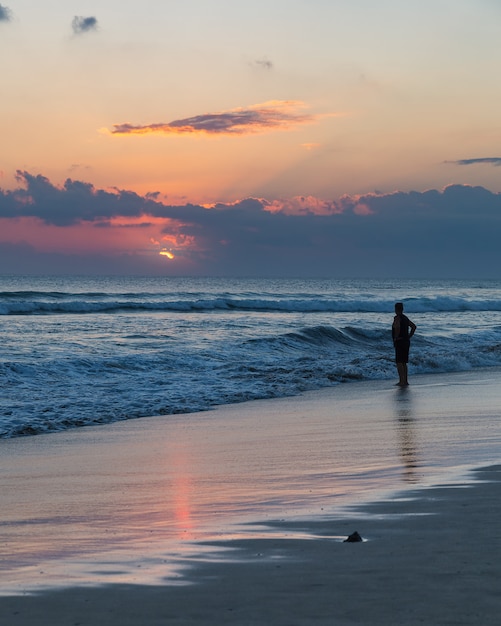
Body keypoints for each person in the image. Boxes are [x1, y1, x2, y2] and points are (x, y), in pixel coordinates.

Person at [392, 302, 416, 386]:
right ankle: (405, 380)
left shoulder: (397, 318)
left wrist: (396, 337)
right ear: (402, 309)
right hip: (406, 341)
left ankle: (401, 381)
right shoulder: (405, 318)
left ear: (395, 309)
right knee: (404, 362)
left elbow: (397, 327)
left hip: (400, 341)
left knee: (399, 362)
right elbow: (413, 326)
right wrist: (409, 336)